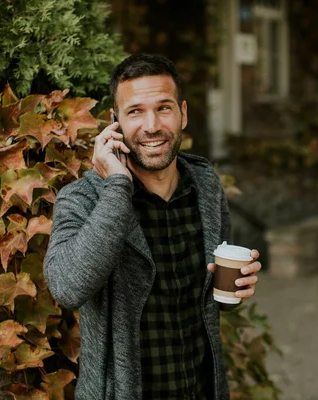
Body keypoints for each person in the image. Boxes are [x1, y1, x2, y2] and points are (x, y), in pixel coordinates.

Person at [43, 53, 261, 400]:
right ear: (114, 123)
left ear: (183, 113)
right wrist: (116, 186)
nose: (152, 125)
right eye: (135, 112)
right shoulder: (82, 199)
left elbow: (214, 299)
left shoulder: (205, 186)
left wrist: (236, 290)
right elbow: (68, 287)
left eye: (163, 108)